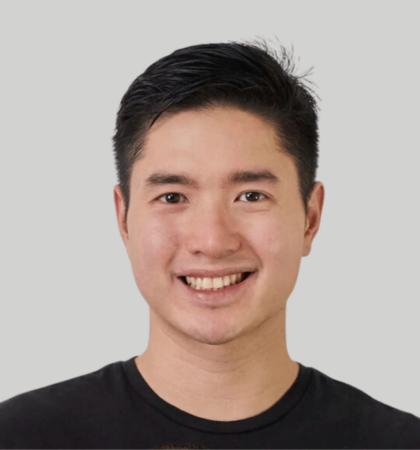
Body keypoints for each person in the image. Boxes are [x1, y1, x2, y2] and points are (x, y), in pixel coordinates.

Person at [0, 39, 419, 450]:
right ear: (123, 219)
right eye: (172, 197)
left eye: (251, 196)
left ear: (310, 217)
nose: (212, 241)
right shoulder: (19, 437)